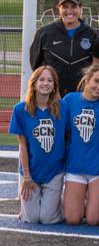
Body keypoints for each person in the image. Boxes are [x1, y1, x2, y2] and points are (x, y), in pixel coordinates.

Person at [9, 66, 67, 224]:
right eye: (42, 79)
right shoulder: (20, 109)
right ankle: (27, 209)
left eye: (50, 80)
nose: (46, 83)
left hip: (54, 171)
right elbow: (22, 147)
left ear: (54, 85)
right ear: (34, 83)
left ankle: (61, 208)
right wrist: (27, 176)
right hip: (31, 173)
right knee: (32, 219)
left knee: (48, 219)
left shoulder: (63, 107)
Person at [62, 63, 99, 225]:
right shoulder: (70, 100)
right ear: (87, 79)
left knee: (93, 220)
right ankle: (81, 200)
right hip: (75, 166)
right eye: (96, 81)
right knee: (72, 219)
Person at [29, 0, 98, 96]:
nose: (69, 11)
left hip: (80, 95)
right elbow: (35, 65)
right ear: (59, 9)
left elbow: (96, 65)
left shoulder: (91, 34)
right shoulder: (44, 33)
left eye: (73, 6)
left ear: (80, 8)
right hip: (52, 96)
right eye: (65, 7)